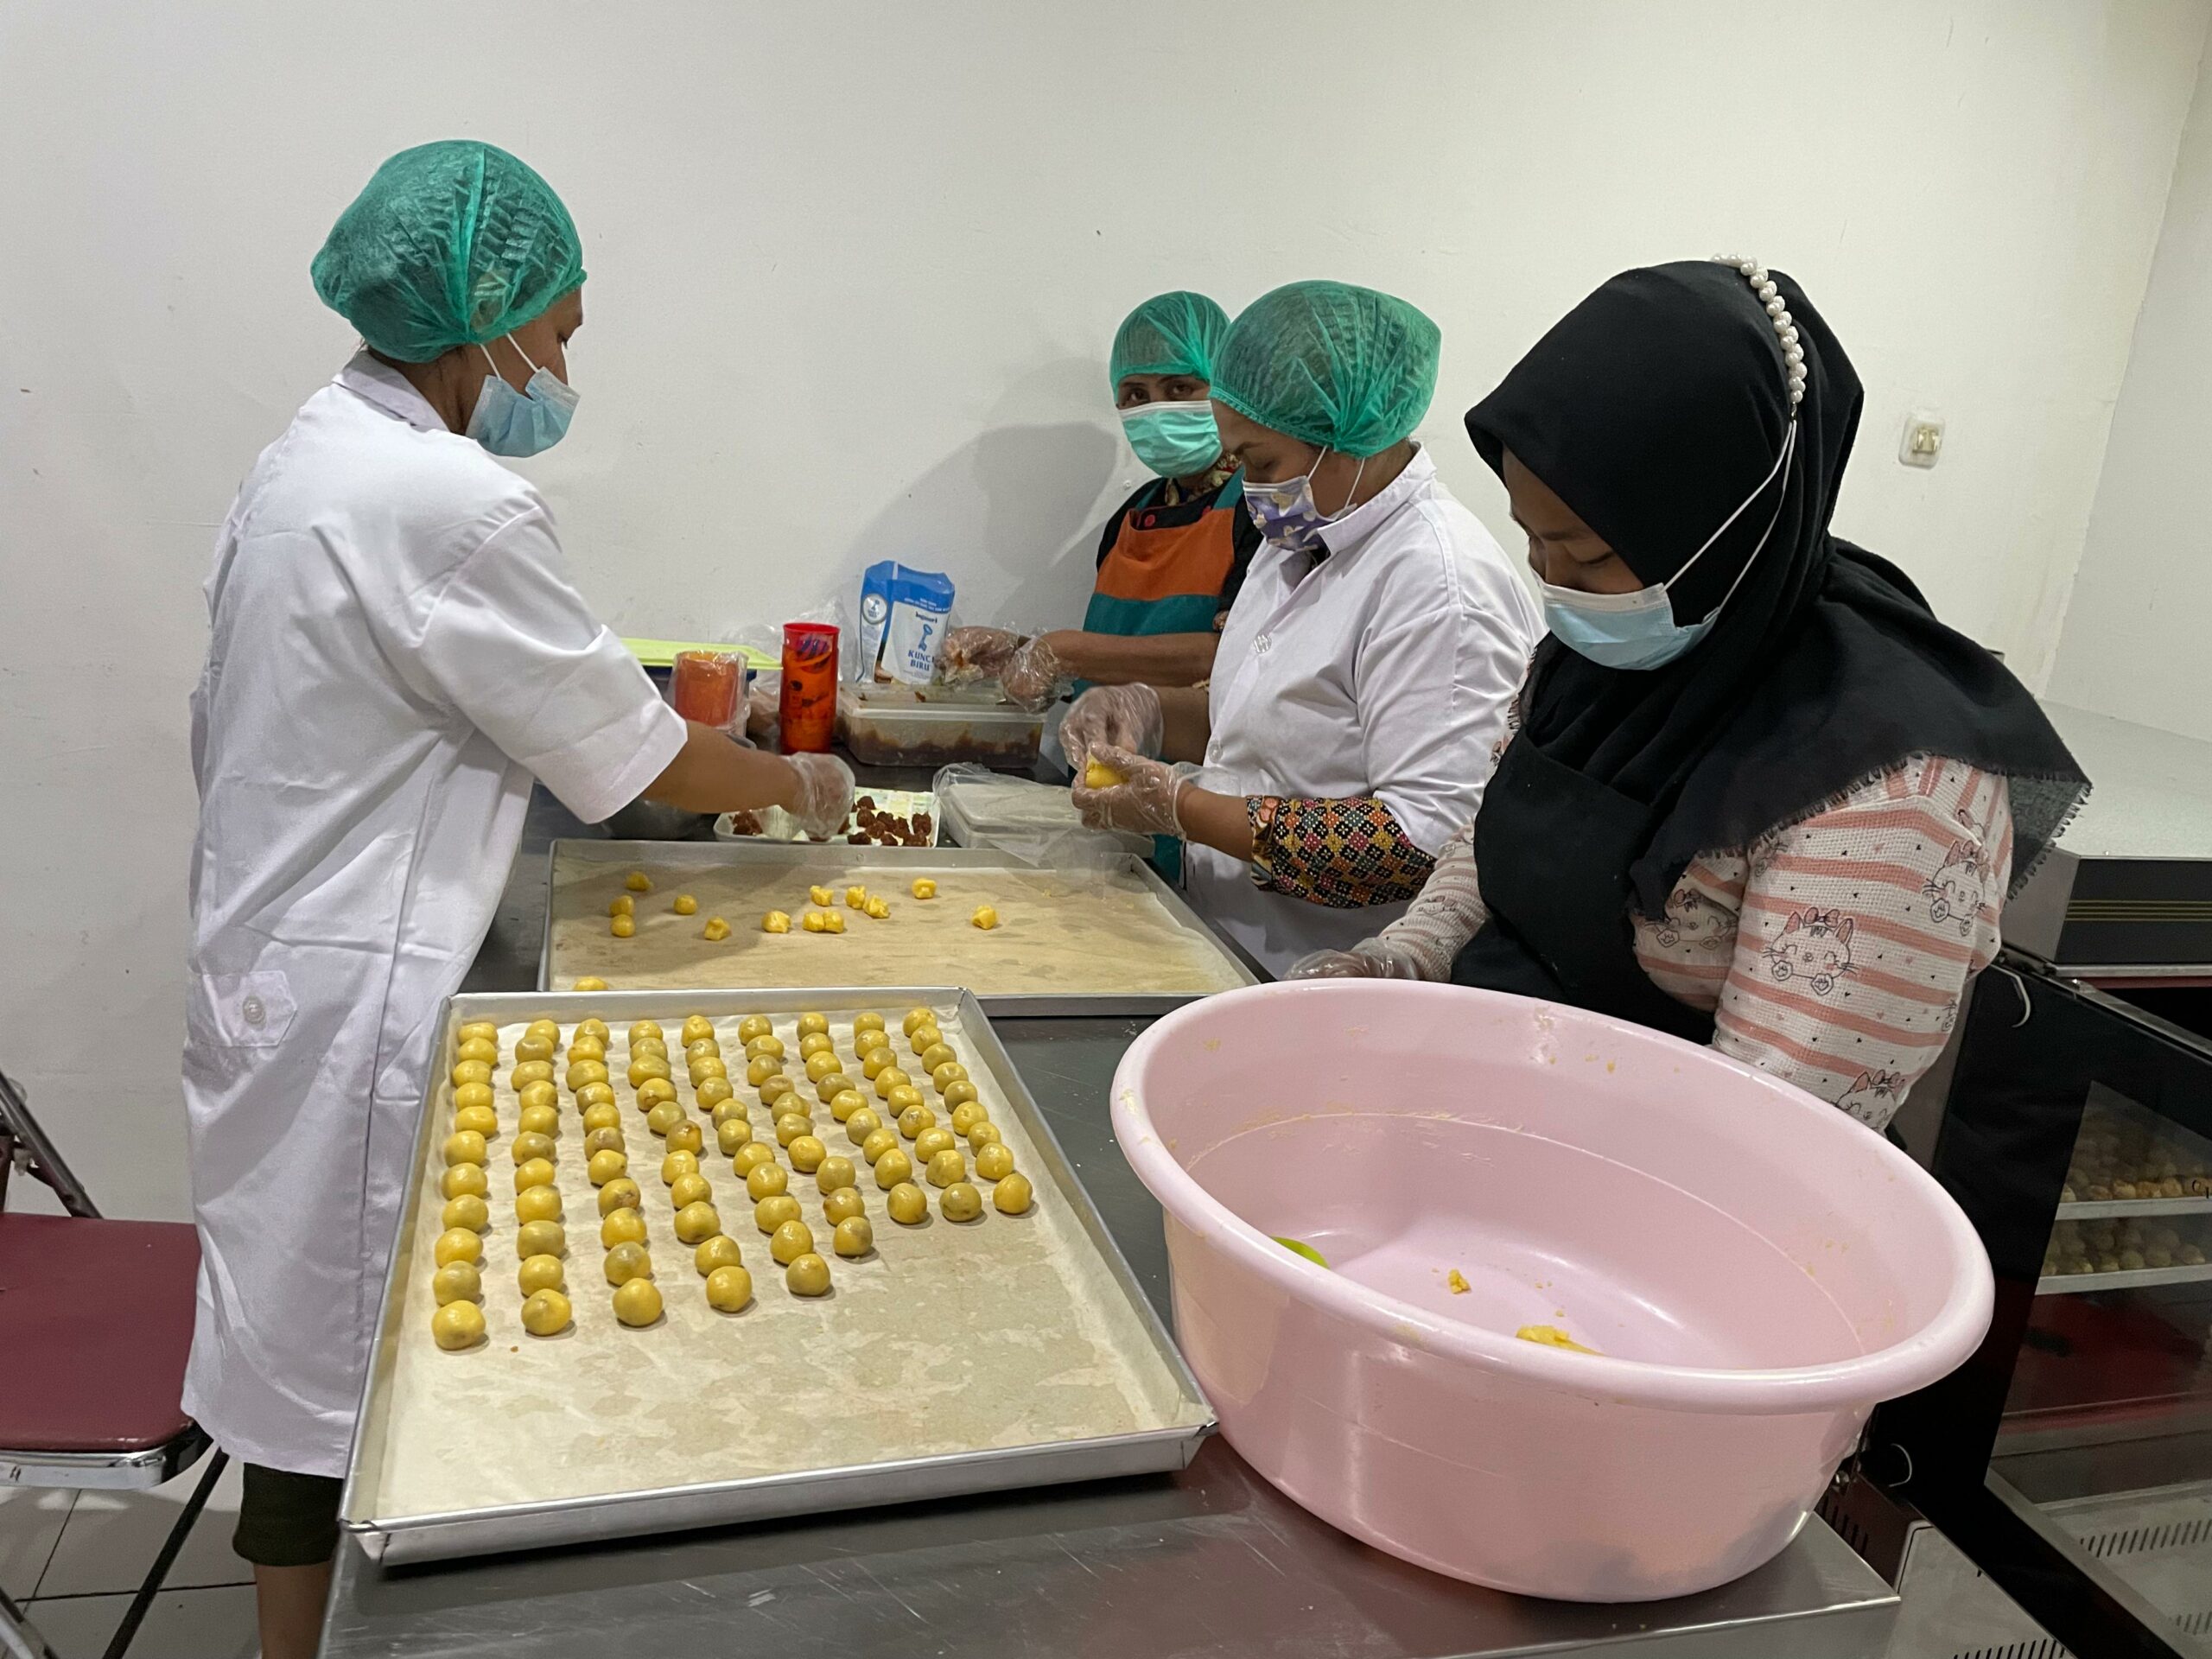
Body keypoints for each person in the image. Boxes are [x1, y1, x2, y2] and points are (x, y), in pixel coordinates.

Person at [181, 141, 851, 1657]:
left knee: (308, 1368)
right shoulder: (447, 502)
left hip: (278, 957)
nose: (558, 363)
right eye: (556, 332)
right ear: (484, 326)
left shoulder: (313, 453)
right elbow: (633, 757)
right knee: (346, 1382)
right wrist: (794, 785)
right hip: (354, 999)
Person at [1292, 258, 2088, 1130]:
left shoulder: (1892, 793)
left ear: (1725, 527)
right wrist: (1399, 964)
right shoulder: (1603, 656)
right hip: (1497, 1115)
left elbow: (1765, 1137)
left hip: (1672, 1197)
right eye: (1533, 543)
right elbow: (1497, 847)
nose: (1557, 589)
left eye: (1589, 557)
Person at [1063, 280, 1542, 975]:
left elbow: (1424, 844)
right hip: (1224, 942)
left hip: (1329, 974)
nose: (1251, 489)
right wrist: (1148, 710)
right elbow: (1269, 723)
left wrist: (1183, 808)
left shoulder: (1440, 583)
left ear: (1350, 436)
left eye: (1261, 464)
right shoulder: (1301, 538)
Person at [941, 290, 1261, 709]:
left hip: (1194, 769)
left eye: (1180, 387)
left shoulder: (1261, 511)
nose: (1157, 410)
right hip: (1098, 766)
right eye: (1136, 396)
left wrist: (1064, 653)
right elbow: (1115, 668)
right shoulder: (1132, 518)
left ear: (1224, 387)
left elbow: (1240, 656)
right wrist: (1023, 654)